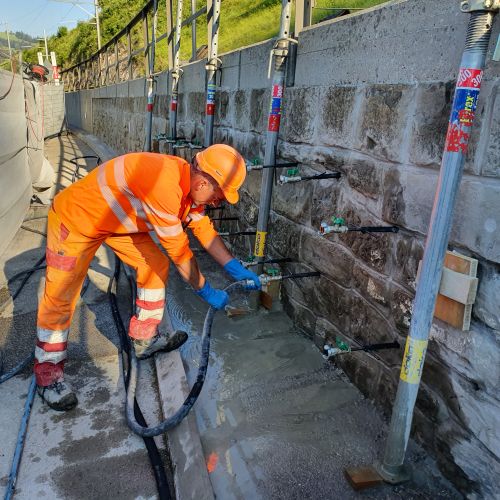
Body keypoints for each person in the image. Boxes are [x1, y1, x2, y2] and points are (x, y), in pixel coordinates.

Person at [35, 144, 261, 411]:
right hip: (77, 220)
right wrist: (206, 291)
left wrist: (234, 267)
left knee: (153, 264)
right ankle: (48, 372)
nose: (217, 202)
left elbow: (202, 229)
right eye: (219, 196)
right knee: (62, 292)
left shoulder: (186, 184)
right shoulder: (165, 187)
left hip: (117, 223)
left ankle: (144, 339)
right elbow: (181, 256)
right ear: (203, 181)